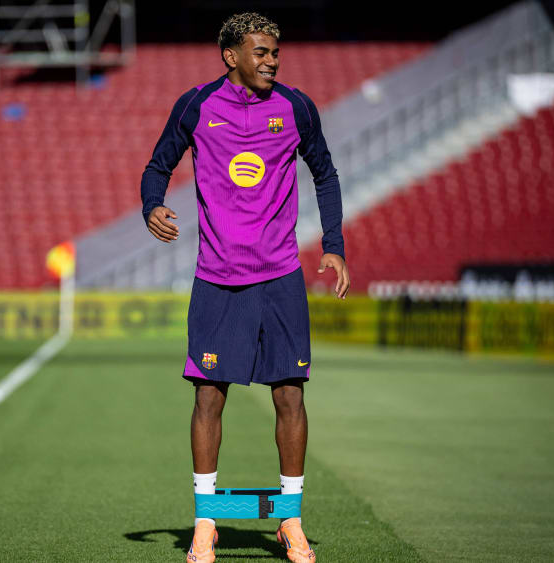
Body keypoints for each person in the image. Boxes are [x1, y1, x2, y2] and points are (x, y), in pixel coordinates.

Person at [140, 12, 350, 563]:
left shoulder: (296, 107)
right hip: (217, 278)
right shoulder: (196, 105)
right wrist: (152, 205)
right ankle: (206, 523)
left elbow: (325, 174)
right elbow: (157, 167)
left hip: (280, 277)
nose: (272, 61)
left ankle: (290, 521)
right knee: (209, 397)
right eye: (261, 52)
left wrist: (334, 244)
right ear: (231, 56)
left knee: (290, 396)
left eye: (275, 52)